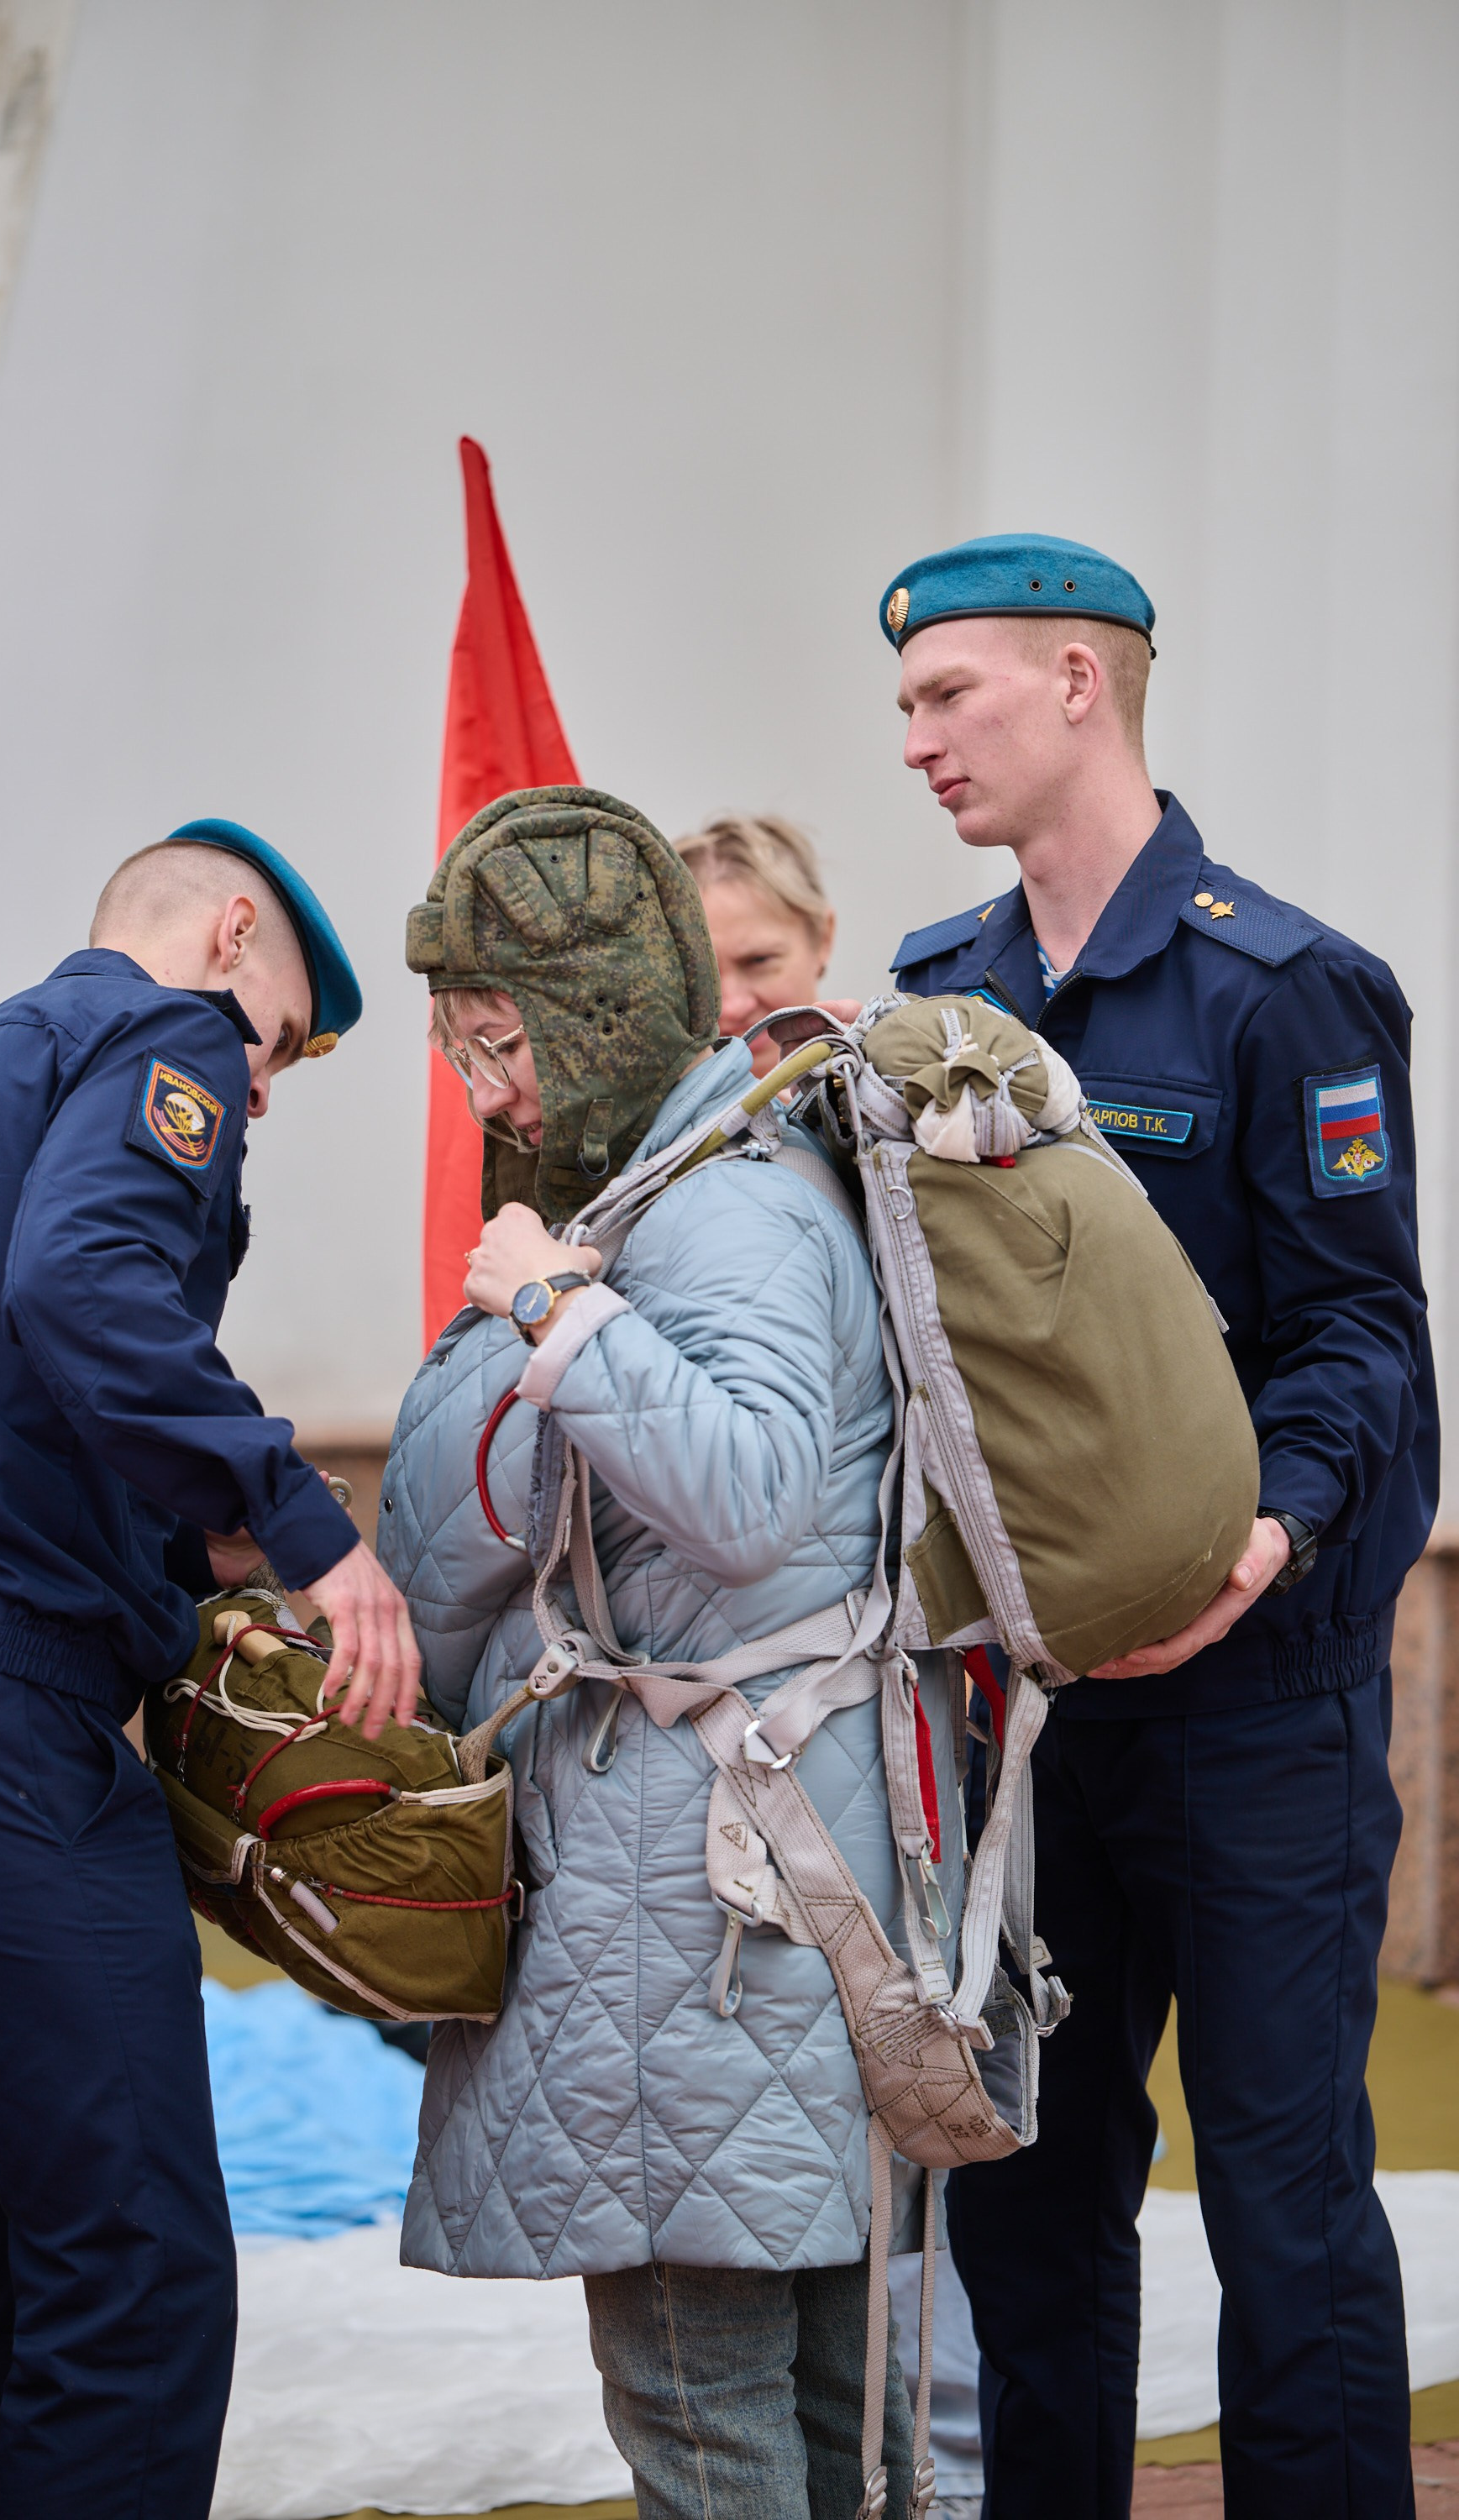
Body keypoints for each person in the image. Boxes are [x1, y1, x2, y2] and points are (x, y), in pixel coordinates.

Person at [874, 535, 1435, 2520]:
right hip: (1028, 1725)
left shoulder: (1280, 985)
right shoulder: (933, 1001)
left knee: (1283, 2198)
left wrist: (1260, 1547)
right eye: (908, 701)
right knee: (1031, 2205)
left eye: (948, 693)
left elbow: (1362, 1333)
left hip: (1252, 1711)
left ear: (1074, 685)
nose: (913, 733)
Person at [0, 818, 419, 2520]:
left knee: (21, 2238)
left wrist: (178, 1552)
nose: (260, 1090)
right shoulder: (166, 1037)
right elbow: (80, 1281)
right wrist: (302, 1527)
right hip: (5, 1717)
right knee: (137, 2262)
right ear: (230, 935)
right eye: (282, 1040)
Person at [372, 783, 923, 2520]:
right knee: (825, 2405)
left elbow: (747, 1493)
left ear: (598, 1018)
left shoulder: (725, 1212)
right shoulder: (674, 1189)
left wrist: (548, 1307)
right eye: (466, 1051)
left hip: (697, 1912)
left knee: (705, 2406)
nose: (488, 1093)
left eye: (500, 1041)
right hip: (724, 1891)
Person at [674, 812, 837, 1074]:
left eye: (759, 961)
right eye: (697, 977)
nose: (732, 1008)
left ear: (822, 939)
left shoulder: (910, 1093)